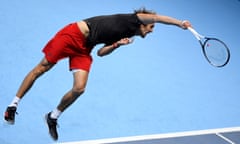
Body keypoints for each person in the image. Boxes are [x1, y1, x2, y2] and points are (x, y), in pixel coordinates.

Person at [4, 8, 192, 141]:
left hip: (85, 48)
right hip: (73, 35)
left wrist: (117, 45)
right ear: (145, 21)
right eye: (151, 27)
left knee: (80, 88)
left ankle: (52, 116)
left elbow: (101, 53)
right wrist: (180, 23)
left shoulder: (128, 34)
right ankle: (13, 105)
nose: (151, 31)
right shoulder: (134, 19)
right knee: (41, 69)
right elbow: (158, 18)